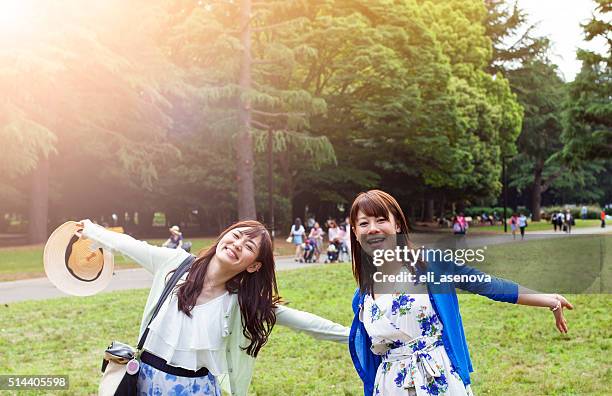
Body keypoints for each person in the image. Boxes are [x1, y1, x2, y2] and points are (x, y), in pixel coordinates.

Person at [78, 219, 348, 395]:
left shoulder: (242, 302)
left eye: (248, 246)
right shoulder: (175, 263)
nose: (237, 244)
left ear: (253, 265)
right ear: (225, 235)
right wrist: (89, 230)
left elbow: (301, 321)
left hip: (194, 389)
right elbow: (130, 245)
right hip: (143, 382)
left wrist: (355, 334)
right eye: (237, 235)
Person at [346, 190, 573, 396]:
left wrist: (547, 299)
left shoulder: (430, 266)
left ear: (397, 225)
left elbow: (486, 284)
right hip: (390, 387)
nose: (373, 228)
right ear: (355, 233)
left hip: (439, 380)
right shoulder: (362, 298)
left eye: (381, 219)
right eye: (364, 223)